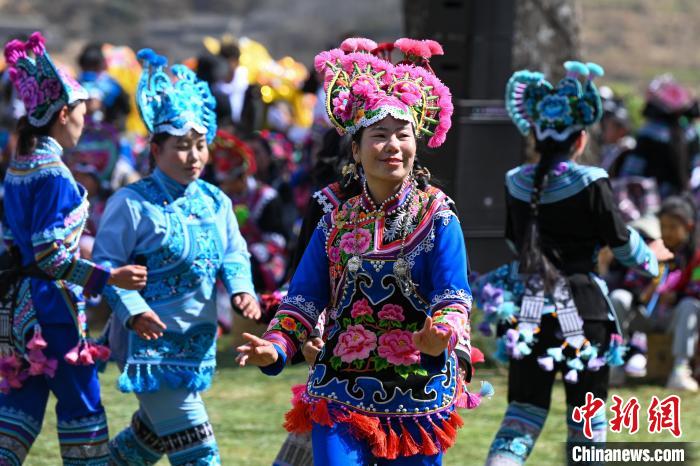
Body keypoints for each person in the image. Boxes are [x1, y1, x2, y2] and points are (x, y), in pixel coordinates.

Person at [237, 37, 484, 466]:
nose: (392, 146)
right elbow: (304, 299)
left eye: (402, 135)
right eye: (379, 135)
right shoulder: (336, 218)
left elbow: (453, 295)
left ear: (415, 144)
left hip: (417, 389)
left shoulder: (437, 215)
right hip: (339, 384)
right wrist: (275, 348)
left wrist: (439, 333)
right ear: (355, 149)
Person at [481, 61, 671, 465]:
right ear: (580, 139)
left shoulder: (515, 181)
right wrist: (651, 258)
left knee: (522, 415)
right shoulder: (591, 181)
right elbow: (621, 243)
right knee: (586, 423)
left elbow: (517, 242)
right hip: (586, 313)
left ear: (534, 134)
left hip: (530, 314)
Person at [92, 48, 260, 465]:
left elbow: (234, 251)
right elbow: (107, 267)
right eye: (182, 147)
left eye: (200, 145)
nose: (194, 157)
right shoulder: (131, 203)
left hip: (195, 341)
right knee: (200, 453)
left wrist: (241, 289)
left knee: (142, 446)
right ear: (155, 148)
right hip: (149, 346)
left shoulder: (215, 200)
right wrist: (133, 311)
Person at [0, 32, 146, 465]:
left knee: (19, 405)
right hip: (53, 310)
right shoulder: (56, 176)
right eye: (83, 112)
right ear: (65, 114)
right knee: (82, 406)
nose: (86, 121)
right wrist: (108, 277)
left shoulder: (19, 168)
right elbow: (50, 255)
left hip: (16, 307)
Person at [610, 75, 700, 199]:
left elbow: (632, 171)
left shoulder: (648, 133)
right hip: (687, 199)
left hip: (653, 200)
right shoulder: (690, 131)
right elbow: (696, 167)